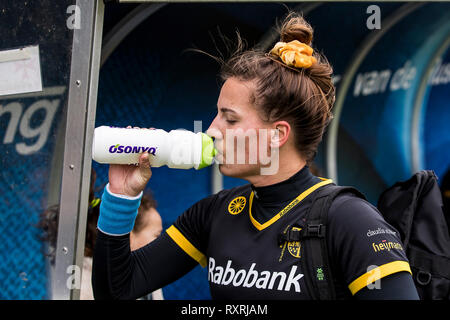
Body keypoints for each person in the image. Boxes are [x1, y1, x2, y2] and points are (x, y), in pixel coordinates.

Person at [92, 12, 419, 300]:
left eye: (229, 119)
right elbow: (118, 289)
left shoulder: (350, 220)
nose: (212, 130)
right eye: (216, 115)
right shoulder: (214, 214)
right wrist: (122, 195)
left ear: (278, 134)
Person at [38, 169, 163, 300]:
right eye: (156, 235)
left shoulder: (147, 276)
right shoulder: (80, 277)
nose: (161, 243)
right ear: (128, 235)